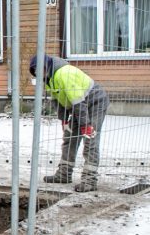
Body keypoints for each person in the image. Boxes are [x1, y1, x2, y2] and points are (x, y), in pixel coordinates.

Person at [29, 54, 110, 192]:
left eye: (40, 69)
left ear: (46, 65)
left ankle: (89, 180)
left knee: (90, 138)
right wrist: (64, 121)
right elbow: (57, 102)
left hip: (95, 102)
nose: (38, 73)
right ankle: (64, 174)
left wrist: (85, 125)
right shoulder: (49, 79)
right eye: (36, 71)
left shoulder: (63, 74)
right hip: (78, 106)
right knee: (69, 137)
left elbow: (78, 102)